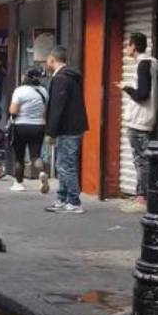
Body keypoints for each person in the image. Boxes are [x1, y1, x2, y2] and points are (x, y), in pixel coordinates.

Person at [44, 45, 89, 214]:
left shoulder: (61, 79)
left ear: (52, 60)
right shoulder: (70, 77)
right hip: (73, 126)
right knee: (62, 164)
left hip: (67, 128)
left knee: (66, 165)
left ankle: (74, 201)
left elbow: (57, 107)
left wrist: (51, 131)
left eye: (48, 59)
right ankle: (62, 198)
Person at [117, 32, 158, 214]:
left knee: (141, 160)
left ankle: (142, 198)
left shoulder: (143, 64)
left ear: (133, 46)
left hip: (140, 120)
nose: (126, 49)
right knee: (143, 159)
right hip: (147, 118)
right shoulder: (154, 63)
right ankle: (141, 196)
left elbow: (142, 94)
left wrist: (125, 87)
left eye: (128, 45)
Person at [8, 67, 50, 193]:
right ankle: (42, 172)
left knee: (19, 156)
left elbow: (13, 111)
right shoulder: (44, 91)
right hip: (39, 126)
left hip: (21, 126)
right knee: (35, 155)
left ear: (26, 77)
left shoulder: (20, 91)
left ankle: (19, 183)